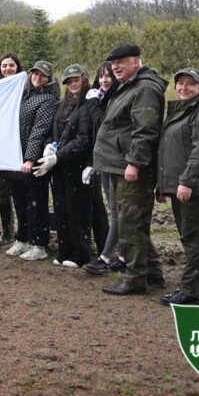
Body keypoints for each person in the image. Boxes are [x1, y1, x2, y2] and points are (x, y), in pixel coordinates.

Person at [93, 43, 168, 296]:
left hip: (130, 167)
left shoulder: (145, 88)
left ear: (137, 61)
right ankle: (153, 274)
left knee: (130, 224)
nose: (115, 67)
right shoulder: (131, 86)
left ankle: (136, 280)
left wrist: (134, 163)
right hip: (118, 164)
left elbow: (145, 130)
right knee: (132, 222)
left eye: (121, 62)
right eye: (113, 64)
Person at [156, 68, 199, 305]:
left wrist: (187, 181)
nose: (184, 88)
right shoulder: (185, 110)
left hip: (193, 186)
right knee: (195, 236)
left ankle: (190, 291)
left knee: (192, 238)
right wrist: (164, 184)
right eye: (180, 83)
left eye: (190, 84)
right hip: (179, 184)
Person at [34, 64, 95, 268]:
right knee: (61, 209)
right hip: (59, 167)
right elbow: (55, 132)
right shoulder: (62, 105)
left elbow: (83, 140)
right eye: (69, 81)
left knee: (77, 211)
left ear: (84, 79)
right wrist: (49, 147)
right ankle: (64, 250)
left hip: (76, 167)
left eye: (76, 80)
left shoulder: (87, 106)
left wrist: (59, 156)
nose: (72, 84)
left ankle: (81, 254)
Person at [4, 60, 59, 261]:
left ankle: (39, 243)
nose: (37, 77)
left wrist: (30, 159)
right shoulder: (23, 94)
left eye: (42, 75)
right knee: (20, 200)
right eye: (35, 73)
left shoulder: (48, 100)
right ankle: (23, 238)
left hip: (34, 160)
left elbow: (39, 130)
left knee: (36, 202)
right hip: (16, 156)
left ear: (49, 78)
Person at [82, 62, 125, 275]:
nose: (104, 80)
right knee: (116, 209)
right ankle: (123, 255)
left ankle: (107, 256)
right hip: (105, 159)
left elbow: (103, 125)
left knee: (117, 210)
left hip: (115, 161)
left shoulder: (111, 99)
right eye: (101, 76)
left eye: (108, 76)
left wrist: (92, 104)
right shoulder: (103, 98)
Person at [0, 52, 23, 243]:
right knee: (3, 191)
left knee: (21, 190)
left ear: (17, 67)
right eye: (4, 66)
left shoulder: (25, 86)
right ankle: (6, 230)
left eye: (11, 65)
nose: (7, 69)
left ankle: (24, 229)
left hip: (20, 145)